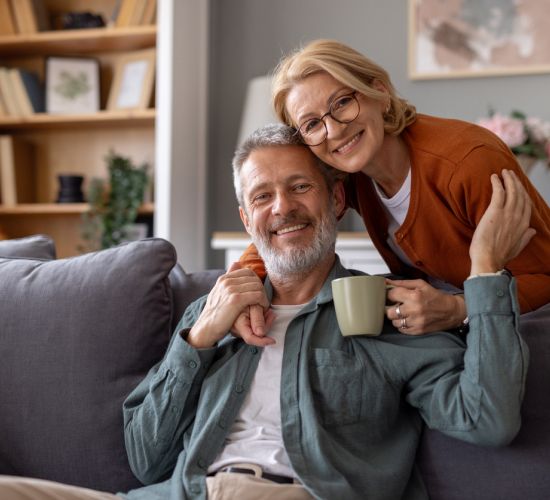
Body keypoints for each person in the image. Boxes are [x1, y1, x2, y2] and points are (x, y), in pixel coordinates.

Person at [0, 124, 533, 499]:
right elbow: (145, 459)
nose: (282, 207)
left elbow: (487, 420)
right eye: (263, 196)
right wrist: (198, 340)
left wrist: (483, 271)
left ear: (337, 201)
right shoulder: (208, 318)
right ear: (246, 217)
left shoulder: (387, 308)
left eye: (300, 186)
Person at [238, 38, 550, 340]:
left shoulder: (467, 164)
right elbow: (285, 224)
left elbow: (546, 278)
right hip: (443, 336)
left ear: (380, 93)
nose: (333, 130)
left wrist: (459, 308)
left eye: (343, 102)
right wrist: (237, 286)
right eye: (311, 124)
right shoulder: (346, 171)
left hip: (524, 328)